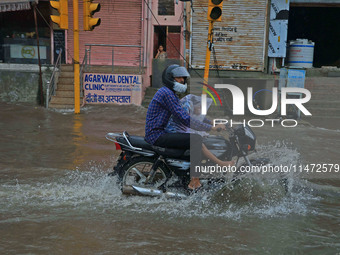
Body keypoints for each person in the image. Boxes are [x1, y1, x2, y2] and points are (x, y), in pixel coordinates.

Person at [144, 64, 234, 190]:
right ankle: (194, 181)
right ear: (170, 78)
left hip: (161, 132)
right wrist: (211, 128)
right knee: (196, 139)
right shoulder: (166, 94)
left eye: (183, 78)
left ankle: (183, 175)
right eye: (179, 78)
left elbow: (188, 115)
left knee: (194, 139)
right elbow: (185, 119)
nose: (182, 80)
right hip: (157, 135)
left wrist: (212, 123)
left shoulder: (171, 94)